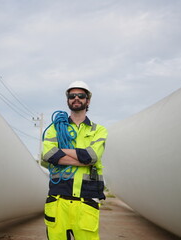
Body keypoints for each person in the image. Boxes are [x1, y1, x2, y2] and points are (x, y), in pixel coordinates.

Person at [42, 81, 108, 240]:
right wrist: (82, 158)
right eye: (72, 96)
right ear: (67, 100)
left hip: (86, 201)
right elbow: (49, 155)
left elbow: (91, 157)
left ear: (88, 100)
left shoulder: (98, 130)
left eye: (81, 95)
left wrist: (61, 151)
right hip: (58, 201)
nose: (76, 98)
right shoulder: (55, 128)